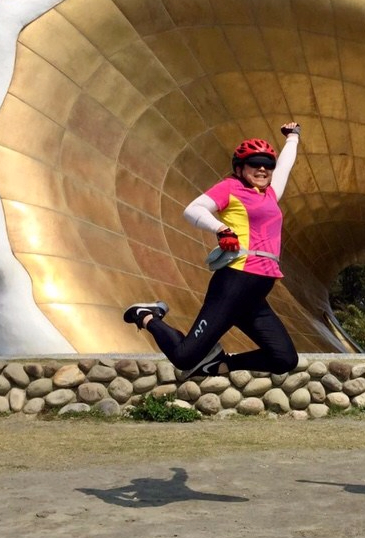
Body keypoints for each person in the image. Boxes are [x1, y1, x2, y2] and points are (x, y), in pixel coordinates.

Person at [122, 123, 302, 381]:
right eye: (254, 163)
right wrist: (222, 229)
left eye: (267, 164)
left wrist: (293, 138)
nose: (262, 168)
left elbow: (285, 167)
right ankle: (146, 316)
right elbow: (193, 209)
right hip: (234, 283)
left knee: (284, 358)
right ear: (240, 168)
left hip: (257, 292)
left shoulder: (271, 194)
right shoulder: (230, 188)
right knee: (184, 357)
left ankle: (219, 365)